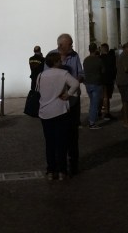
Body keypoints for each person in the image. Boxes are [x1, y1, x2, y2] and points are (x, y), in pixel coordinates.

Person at [37, 51, 80, 181]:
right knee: (61, 142)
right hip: (60, 111)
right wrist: (68, 94)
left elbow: (38, 90)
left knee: (49, 142)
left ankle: (51, 170)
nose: (61, 62)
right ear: (56, 62)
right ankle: (62, 171)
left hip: (45, 112)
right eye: (60, 61)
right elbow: (76, 84)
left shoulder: (41, 75)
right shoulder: (63, 74)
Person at [83, 43, 104, 128]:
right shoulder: (98, 60)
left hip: (88, 83)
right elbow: (103, 71)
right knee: (95, 104)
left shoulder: (86, 60)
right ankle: (92, 122)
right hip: (96, 83)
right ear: (96, 49)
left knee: (92, 102)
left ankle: (91, 119)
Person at [99, 43, 117, 121]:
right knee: (107, 97)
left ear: (102, 49)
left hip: (101, 79)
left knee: (102, 97)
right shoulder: (111, 58)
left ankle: (100, 112)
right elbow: (114, 69)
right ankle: (107, 113)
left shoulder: (99, 58)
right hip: (109, 79)